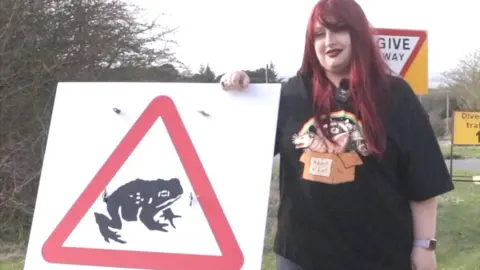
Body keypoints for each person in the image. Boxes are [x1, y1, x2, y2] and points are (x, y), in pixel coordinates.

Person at [220, 0, 454, 269]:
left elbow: (422, 181)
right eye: (319, 34)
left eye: (339, 29)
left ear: (358, 33)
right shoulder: (291, 95)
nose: (329, 41)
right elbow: (239, 150)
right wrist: (238, 99)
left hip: (378, 256)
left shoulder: (395, 95)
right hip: (300, 257)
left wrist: (425, 247)